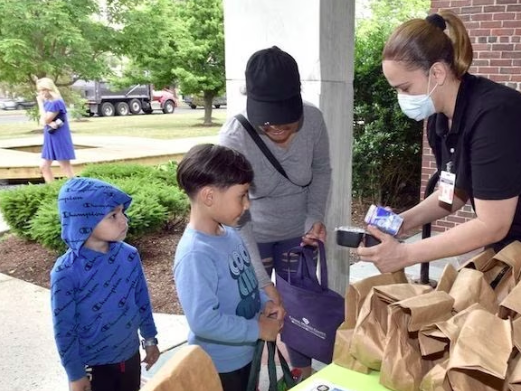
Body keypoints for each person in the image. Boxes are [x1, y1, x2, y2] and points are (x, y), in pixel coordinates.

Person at [357, 11, 521, 281]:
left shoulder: (497, 115)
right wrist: (402, 223)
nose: (401, 98)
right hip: (515, 242)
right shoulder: (440, 122)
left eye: (405, 88)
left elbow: (492, 224)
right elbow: (451, 193)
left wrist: (406, 255)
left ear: (437, 72)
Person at [218, 46, 332, 378]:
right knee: (255, 307)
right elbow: (235, 217)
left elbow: (322, 169)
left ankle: (302, 376)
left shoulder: (313, 119)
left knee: (300, 310)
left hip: (298, 234)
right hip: (254, 234)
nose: (278, 128)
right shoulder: (234, 137)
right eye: (267, 120)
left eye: (286, 118)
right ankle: (250, 377)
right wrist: (260, 280)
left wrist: (314, 217)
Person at [174, 143, 284, 391]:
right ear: (209, 196)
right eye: (242, 195)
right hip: (218, 366)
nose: (247, 204)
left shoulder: (231, 234)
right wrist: (256, 328)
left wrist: (264, 302)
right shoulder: (195, 254)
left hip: (245, 354)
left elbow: (247, 280)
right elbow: (203, 321)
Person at [50, 177, 160, 391]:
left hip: (130, 357)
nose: (124, 220)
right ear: (84, 222)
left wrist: (149, 338)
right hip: (94, 366)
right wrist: (75, 375)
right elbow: (64, 329)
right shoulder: (65, 273)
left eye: (122, 212)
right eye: (113, 215)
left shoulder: (129, 256)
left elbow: (141, 299)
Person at [36, 77, 75, 182]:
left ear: (49, 89)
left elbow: (45, 119)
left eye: (43, 89)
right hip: (50, 136)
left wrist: (39, 104)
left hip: (59, 137)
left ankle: (76, 190)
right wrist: (47, 121)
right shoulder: (48, 102)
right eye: (40, 90)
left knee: (65, 167)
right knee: (44, 166)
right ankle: (52, 191)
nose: (41, 93)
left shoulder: (56, 102)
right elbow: (42, 121)